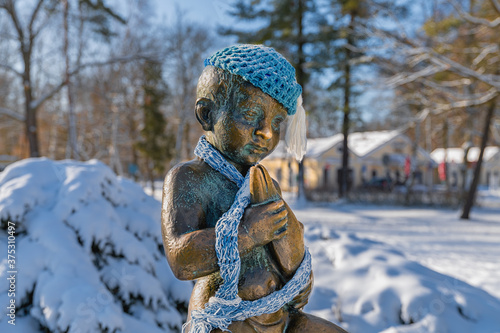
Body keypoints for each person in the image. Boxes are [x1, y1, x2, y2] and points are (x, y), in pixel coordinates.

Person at [161, 44, 347, 333]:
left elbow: (287, 245)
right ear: (207, 113)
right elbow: (181, 259)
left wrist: (299, 276)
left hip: (279, 315)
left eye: (276, 123)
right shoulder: (188, 178)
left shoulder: (263, 184)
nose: (267, 133)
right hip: (224, 317)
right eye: (250, 115)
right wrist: (247, 233)